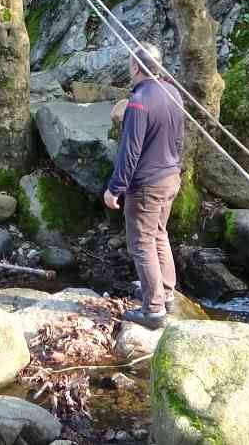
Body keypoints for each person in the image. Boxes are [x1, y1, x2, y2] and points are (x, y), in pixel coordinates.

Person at [102, 43, 186, 329]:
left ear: (136, 67)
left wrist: (115, 188)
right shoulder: (173, 92)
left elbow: (130, 151)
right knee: (159, 234)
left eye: (130, 63)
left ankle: (153, 309)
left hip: (147, 184)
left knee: (142, 242)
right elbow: (178, 140)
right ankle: (166, 292)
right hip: (171, 176)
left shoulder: (139, 101)